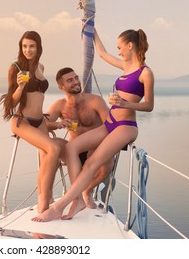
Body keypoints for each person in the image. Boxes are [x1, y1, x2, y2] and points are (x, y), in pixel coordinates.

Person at [32, 28, 154, 222]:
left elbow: (149, 105)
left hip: (126, 126)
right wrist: (91, 27)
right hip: (110, 124)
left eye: (120, 47)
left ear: (130, 46)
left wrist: (125, 104)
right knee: (72, 147)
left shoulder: (145, 73)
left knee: (91, 163)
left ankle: (59, 207)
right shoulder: (125, 66)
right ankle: (78, 199)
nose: (119, 51)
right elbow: (102, 54)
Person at [0, 31, 61, 213]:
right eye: (24, 46)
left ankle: (47, 196)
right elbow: (12, 102)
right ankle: (43, 201)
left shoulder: (41, 66)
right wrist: (20, 86)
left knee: (49, 157)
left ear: (38, 47)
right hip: (22, 121)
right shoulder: (16, 67)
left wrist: (54, 121)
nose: (28, 50)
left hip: (39, 120)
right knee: (54, 148)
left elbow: (39, 97)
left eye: (32, 46)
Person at [45, 67, 113, 209]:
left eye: (76, 78)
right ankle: (46, 194)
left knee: (107, 164)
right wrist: (58, 124)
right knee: (50, 145)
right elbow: (44, 124)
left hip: (95, 149)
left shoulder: (95, 101)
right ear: (61, 86)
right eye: (70, 80)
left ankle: (86, 191)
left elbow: (110, 125)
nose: (76, 82)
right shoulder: (60, 105)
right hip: (73, 152)